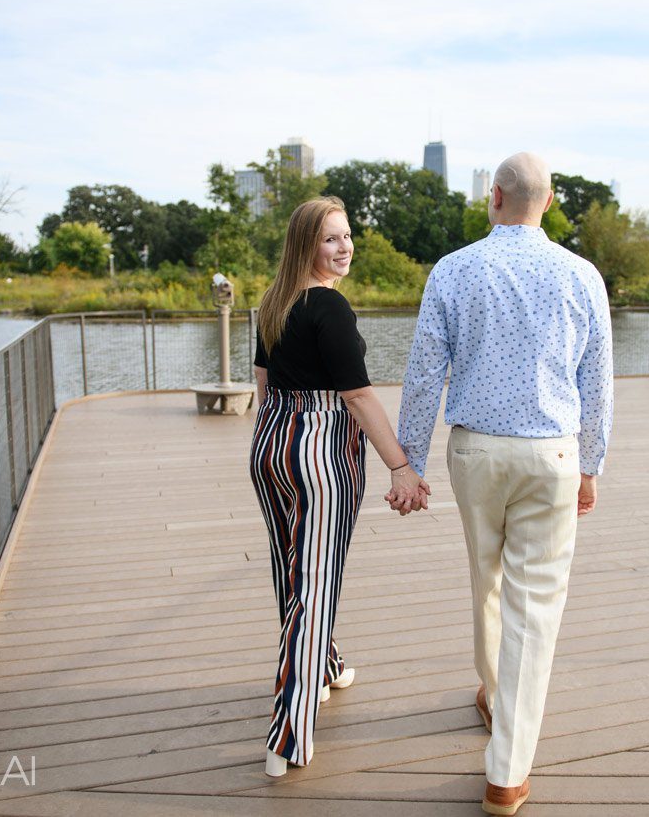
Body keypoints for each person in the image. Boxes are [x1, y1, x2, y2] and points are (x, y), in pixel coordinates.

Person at [393, 153, 613, 815]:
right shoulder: (581, 276)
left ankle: (492, 690)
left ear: (494, 197)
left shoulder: (454, 270)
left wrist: (411, 461)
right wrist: (592, 464)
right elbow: (596, 380)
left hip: (477, 453)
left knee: (486, 576)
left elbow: (425, 371)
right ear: (547, 202)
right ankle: (507, 773)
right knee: (535, 606)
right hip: (551, 454)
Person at [250, 196, 430, 778]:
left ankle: (323, 665)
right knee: (317, 582)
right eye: (331, 239)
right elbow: (358, 396)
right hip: (319, 449)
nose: (344, 247)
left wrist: (273, 441)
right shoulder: (330, 309)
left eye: (347, 236)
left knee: (293, 571)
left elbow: (261, 382)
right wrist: (400, 466)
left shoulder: (272, 304)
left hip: (271, 443)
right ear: (307, 246)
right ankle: (287, 736)